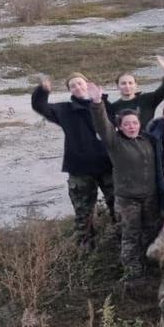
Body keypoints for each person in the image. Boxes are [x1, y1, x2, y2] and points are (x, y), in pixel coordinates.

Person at [32, 74, 115, 248]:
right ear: (70, 90)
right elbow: (40, 106)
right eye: (73, 86)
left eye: (80, 83)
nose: (78, 87)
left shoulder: (105, 104)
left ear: (87, 84)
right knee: (83, 214)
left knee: (117, 206)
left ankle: (118, 246)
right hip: (80, 169)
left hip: (108, 165)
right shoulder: (65, 110)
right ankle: (86, 251)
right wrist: (43, 90)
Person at [88, 82, 158, 284]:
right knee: (131, 236)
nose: (131, 126)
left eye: (134, 123)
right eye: (126, 124)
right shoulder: (115, 142)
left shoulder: (146, 139)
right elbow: (102, 125)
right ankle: (133, 275)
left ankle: (149, 266)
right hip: (128, 200)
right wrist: (97, 103)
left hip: (150, 197)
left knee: (150, 232)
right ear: (119, 125)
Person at [108, 56, 164, 127]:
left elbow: (163, 91)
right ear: (117, 86)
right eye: (123, 83)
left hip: (146, 137)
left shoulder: (146, 99)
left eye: (130, 83)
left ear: (136, 85)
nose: (127, 86)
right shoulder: (114, 107)